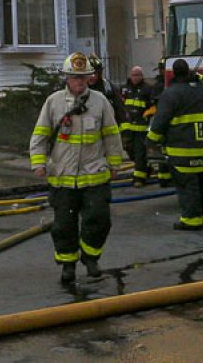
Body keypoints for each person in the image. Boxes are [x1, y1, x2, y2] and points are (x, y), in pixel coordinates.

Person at [30, 51, 125, 284]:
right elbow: (40, 135)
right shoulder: (53, 103)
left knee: (100, 219)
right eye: (75, 77)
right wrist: (38, 162)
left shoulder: (100, 102)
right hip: (63, 177)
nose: (79, 81)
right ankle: (68, 266)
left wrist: (115, 164)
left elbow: (112, 135)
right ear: (66, 78)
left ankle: (91, 258)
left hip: (95, 176)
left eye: (83, 77)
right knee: (64, 226)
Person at [147, 57, 203, 230]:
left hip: (182, 151)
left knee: (188, 186)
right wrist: (197, 78)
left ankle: (191, 219)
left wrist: (151, 141)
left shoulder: (170, 93)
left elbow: (161, 120)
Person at [118, 65, 161, 186]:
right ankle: (146, 169)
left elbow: (153, 106)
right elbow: (120, 106)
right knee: (130, 150)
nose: (135, 77)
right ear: (130, 76)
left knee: (140, 152)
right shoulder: (124, 89)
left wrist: (147, 114)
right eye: (133, 75)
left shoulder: (147, 89)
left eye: (138, 75)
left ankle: (139, 179)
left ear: (142, 76)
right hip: (127, 128)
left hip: (141, 128)